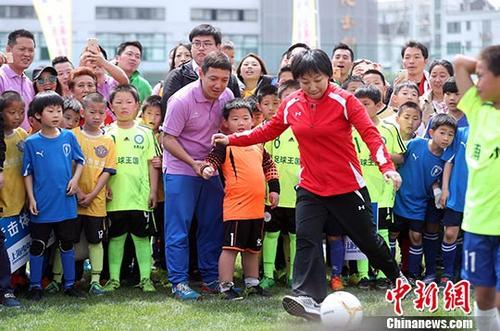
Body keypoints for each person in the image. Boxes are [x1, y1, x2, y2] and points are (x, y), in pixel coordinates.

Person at [212, 49, 403, 320]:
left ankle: (398, 278)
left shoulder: (344, 100)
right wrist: (231, 140)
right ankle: (309, 297)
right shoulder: (292, 104)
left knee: (367, 240)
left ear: (328, 75)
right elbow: (267, 130)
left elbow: (371, 135)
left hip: (346, 185)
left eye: (317, 80)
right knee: (306, 238)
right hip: (311, 186)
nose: (312, 87)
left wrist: (387, 168)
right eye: (305, 82)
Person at [162, 52, 234, 300]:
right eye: (213, 78)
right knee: (178, 228)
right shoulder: (181, 100)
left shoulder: (227, 96)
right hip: (182, 168)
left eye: (224, 79)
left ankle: (210, 277)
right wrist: (193, 163)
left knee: (212, 224)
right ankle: (179, 282)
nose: (219, 85)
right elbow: (167, 139)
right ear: (201, 73)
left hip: (210, 169)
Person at [201, 98, 279, 300]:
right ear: (225, 123)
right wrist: (208, 168)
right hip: (236, 207)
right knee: (230, 248)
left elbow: (270, 167)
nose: (241, 122)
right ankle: (226, 287)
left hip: (257, 208)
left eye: (246, 118)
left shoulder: (258, 144)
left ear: (253, 120)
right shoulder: (224, 144)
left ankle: (252, 284)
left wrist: (274, 189)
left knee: (253, 248)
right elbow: (212, 160)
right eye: (235, 119)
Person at [22, 91, 85, 300]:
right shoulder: (31, 143)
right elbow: (27, 173)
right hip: (41, 203)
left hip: (66, 202)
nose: (56, 115)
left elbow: (80, 161)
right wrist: (31, 197)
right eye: (51, 111)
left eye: (59, 110)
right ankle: (35, 286)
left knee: (67, 244)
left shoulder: (69, 137)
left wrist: (75, 180)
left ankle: (69, 284)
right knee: (38, 244)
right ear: (39, 115)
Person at [454, 47, 500, 331]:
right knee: (483, 297)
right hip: (478, 224)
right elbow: (460, 63)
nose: (477, 81)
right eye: (477, 75)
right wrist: (484, 65)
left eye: (482, 76)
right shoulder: (476, 108)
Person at [103, 85, 158, 293]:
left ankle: (145, 279)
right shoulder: (107, 133)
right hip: (115, 197)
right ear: (111, 106)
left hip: (139, 196)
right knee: (116, 238)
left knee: (142, 238)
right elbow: (102, 166)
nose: (124, 106)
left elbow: (151, 164)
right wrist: (105, 186)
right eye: (118, 102)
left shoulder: (145, 133)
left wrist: (153, 191)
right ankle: (114, 279)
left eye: (129, 102)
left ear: (137, 106)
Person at [351, 86, 406, 291]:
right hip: (358, 189)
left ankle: (384, 274)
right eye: (358, 104)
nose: (361, 108)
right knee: (361, 232)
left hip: (382, 190)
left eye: (366, 104)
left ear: (377, 105)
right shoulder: (349, 128)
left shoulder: (389, 128)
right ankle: (364, 274)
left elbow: (401, 156)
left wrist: (380, 155)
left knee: (382, 231)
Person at [392, 114, 456, 284]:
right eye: (442, 133)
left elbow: (437, 181)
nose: (446, 138)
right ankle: (390, 273)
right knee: (392, 234)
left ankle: (414, 274)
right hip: (399, 199)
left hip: (419, 205)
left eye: (450, 135)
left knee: (416, 237)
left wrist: (436, 190)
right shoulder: (416, 144)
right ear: (431, 131)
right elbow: (399, 160)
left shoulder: (446, 159)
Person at [73, 92, 116, 295]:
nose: (97, 116)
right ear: (83, 112)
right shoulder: (72, 135)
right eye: (92, 112)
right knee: (67, 241)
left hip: (96, 203)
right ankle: (62, 279)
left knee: (95, 241)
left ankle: (96, 281)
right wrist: (79, 192)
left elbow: (107, 171)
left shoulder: (108, 141)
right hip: (71, 200)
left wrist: (91, 195)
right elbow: (67, 168)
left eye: (101, 112)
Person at [260, 80, 301, 290]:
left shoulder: (306, 128)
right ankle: (268, 274)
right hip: (273, 194)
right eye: (288, 97)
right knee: (271, 233)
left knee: (296, 236)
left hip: (299, 195)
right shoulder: (270, 128)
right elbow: (262, 162)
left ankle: (293, 275)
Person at [160, 24, 241, 113]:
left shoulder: (229, 78)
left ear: (218, 47)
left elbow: (235, 112)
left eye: (207, 44)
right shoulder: (177, 76)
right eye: (197, 43)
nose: (201, 48)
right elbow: (167, 110)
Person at [0, 91, 25, 307]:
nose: (17, 116)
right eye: (12, 112)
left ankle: (12, 286)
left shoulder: (22, 136)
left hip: (20, 201)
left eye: (21, 112)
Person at [139, 95, 165, 270]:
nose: (152, 118)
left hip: (162, 192)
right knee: (143, 229)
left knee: (161, 228)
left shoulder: (163, 137)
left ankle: (160, 260)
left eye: (157, 115)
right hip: (139, 189)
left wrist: (162, 161)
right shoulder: (138, 133)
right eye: (149, 113)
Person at [0, 29, 36, 131]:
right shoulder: (1, 77)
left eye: (31, 50)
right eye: (22, 49)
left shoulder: (28, 83)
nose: (27, 54)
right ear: (8, 50)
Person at [420, 59, 454, 125]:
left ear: (451, 77)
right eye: (434, 76)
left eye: (442, 76)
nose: (437, 80)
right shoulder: (421, 102)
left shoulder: (459, 101)